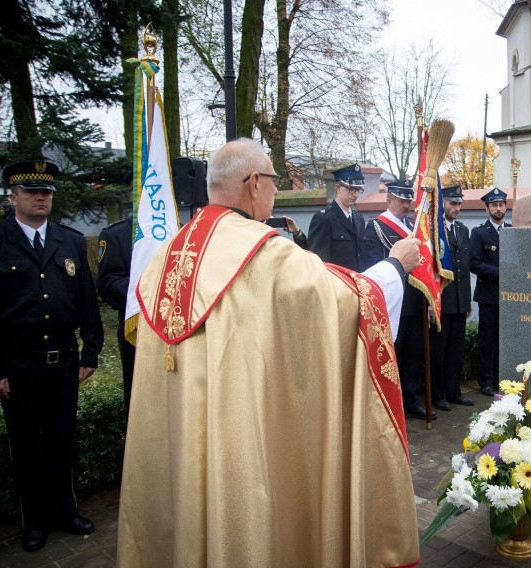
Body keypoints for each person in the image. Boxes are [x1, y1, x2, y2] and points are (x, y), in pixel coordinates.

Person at [117, 139, 422, 567]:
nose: (277, 191)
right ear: (254, 183)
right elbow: (343, 302)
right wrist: (394, 266)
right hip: (239, 431)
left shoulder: (169, 252)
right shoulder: (264, 252)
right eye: (275, 181)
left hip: (182, 427)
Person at [0, 160, 103, 552]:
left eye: (47, 192)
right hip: (19, 366)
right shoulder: (0, 242)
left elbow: (86, 302)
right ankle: (34, 522)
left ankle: (65, 510)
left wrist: (90, 352)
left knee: (61, 440)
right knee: (25, 448)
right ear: (13, 197)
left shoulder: (70, 241)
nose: (41, 197)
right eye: (31, 191)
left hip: (63, 364)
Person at [362, 179, 433, 420]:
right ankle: (389, 402)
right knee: (393, 353)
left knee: (413, 354)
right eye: (401, 201)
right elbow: (372, 265)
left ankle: (410, 400)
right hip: (392, 301)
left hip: (415, 299)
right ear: (388, 200)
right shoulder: (375, 227)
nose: (406, 205)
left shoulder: (413, 225)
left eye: (408, 200)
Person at [429, 184, 474, 411]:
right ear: (442, 203)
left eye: (459, 204)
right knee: (439, 351)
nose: (456, 208)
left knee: (456, 351)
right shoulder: (433, 231)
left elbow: (464, 270)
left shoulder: (462, 230)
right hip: (440, 301)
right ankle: (438, 395)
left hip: (458, 301)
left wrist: (466, 301)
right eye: (452, 203)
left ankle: (454, 391)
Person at [469, 187, 510, 397]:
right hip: (488, 294)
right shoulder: (478, 233)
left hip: (510, 296)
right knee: (486, 339)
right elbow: (474, 264)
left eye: (501, 204)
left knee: (504, 339)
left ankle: (499, 378)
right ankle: (484, 381)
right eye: (494, 205)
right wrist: (501, 273)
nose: (498, 208)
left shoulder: (512, 231)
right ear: (487, 209)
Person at [96, 216, 136, 419]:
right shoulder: (117, 234)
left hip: (178, 332)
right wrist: (149, 292)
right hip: (136, 332)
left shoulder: (179, 230)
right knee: (139, 403)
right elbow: (108, 282)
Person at [307, 162, 366, 270]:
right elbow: (319, 263)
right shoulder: (323, 219)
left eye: (358, 190)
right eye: (351, 189)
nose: (356, 194)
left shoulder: (359, 218)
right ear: (338, 187)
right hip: (337, 283)